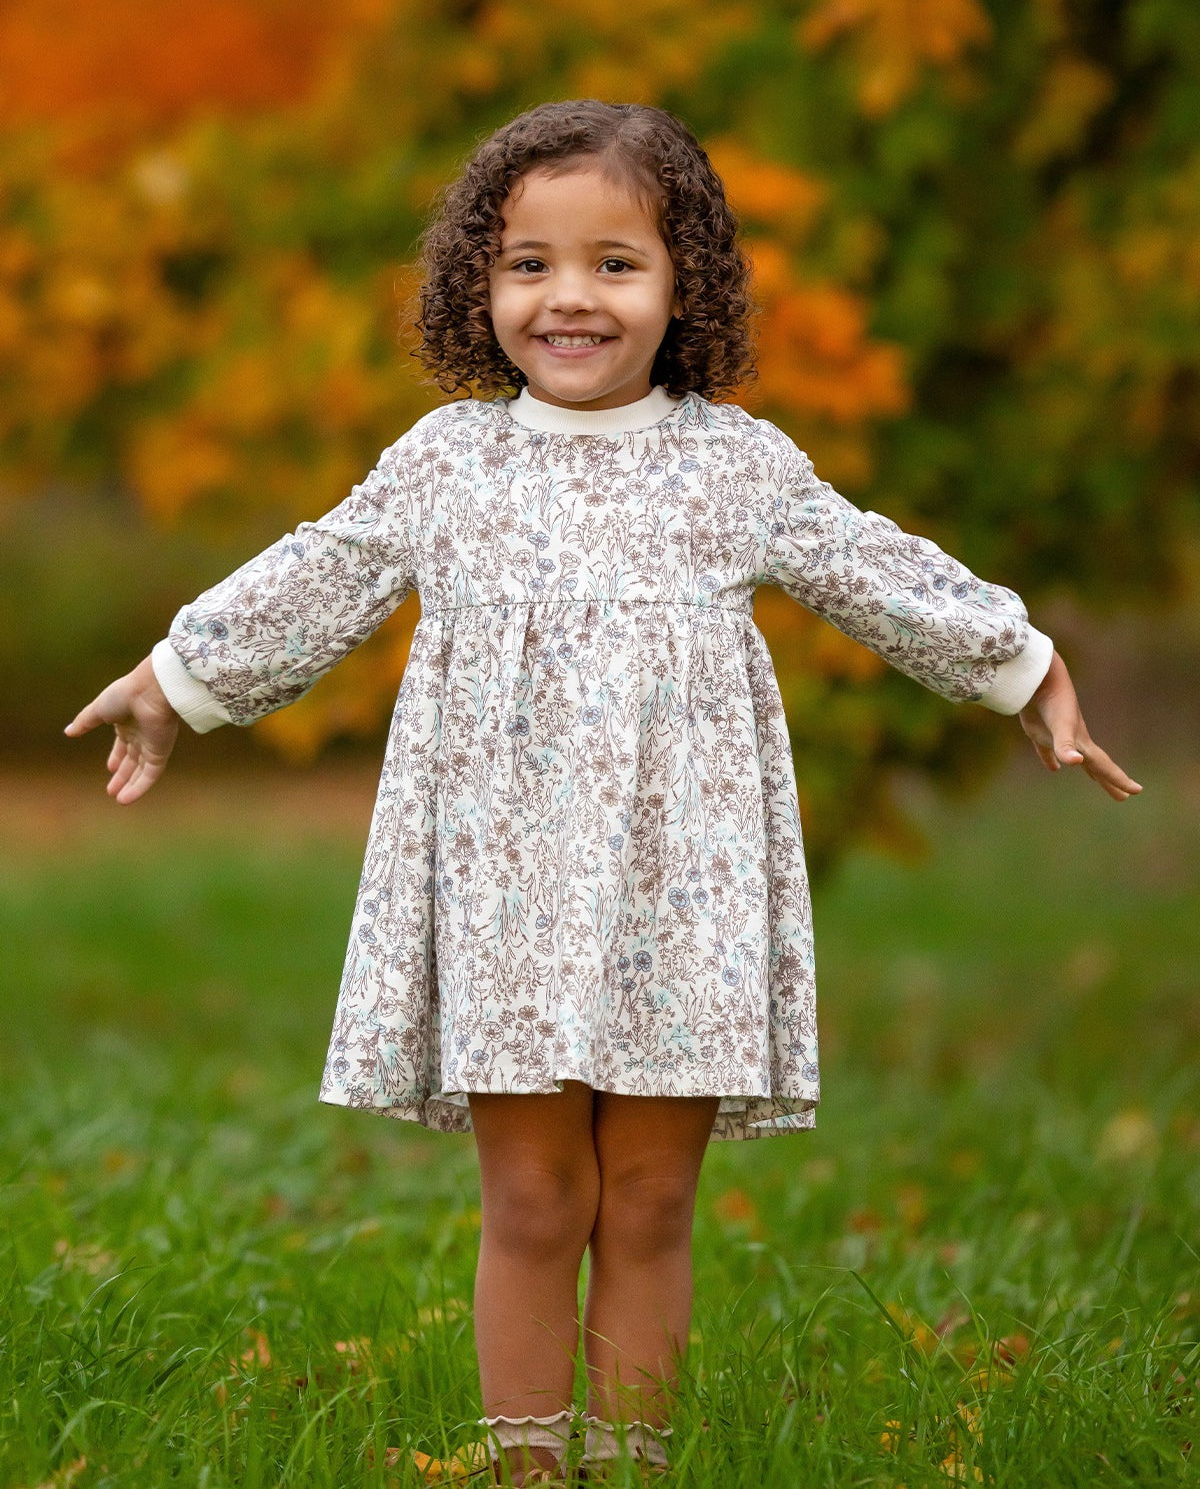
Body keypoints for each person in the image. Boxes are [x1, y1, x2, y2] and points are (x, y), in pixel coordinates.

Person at [66, 100, 1140, 1485]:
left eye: (614, 263)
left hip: (675, 885)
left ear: (681, 280)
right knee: (531, 1195)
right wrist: (176, 677)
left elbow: (875, 566)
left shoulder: (732, 465)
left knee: (646, 1199)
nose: (570, 297)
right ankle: (527, 1472)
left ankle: (633, 1469)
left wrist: (1025, 665)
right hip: (505, 888)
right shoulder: (452, 462)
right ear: (481, 281)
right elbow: (318, 572)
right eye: (529, 263)